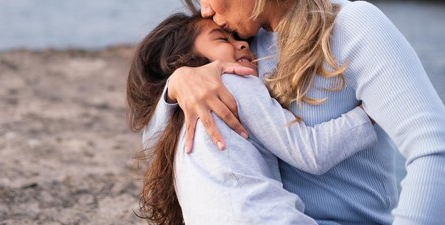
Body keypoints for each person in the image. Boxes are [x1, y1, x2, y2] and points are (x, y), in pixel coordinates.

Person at [146, 0, 445, 225]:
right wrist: (177, 84)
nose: (204, 10)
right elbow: (159, 145)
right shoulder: (239, 47)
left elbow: (436, 150)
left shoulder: (353, 27)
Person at [127, 13, 377, 225]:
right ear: (183, 58)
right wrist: (369, 112)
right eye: (223, 39)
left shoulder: (175, 118)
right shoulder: (234, 82)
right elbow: (310, 153)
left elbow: (149, 136)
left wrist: (175, 82)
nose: (243, 45)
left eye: (239, 38)